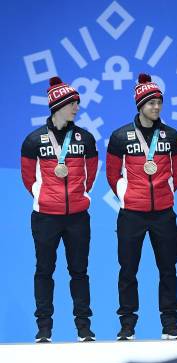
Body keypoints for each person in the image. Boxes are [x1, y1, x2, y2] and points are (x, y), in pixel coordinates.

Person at [106, 73, 177, 340]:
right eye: (151, 103)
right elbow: (112, 174)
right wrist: (127, 196)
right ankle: (127, 325)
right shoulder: (120, 137)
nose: (156, 107)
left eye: (159, 102)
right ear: (140, 105)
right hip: (131, 214)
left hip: (163, 213)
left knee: (168, 269)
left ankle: (170, 324)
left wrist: (166, 192)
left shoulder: (171, 135)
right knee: (128, 270)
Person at [21, 76, 98, 343]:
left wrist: (78, 195)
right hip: (45, 217)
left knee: (79, 271)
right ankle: (44, 329)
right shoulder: (34, 140)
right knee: (44, 270)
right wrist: (46, 198)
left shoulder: (85, 138)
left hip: (78, 216)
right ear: (59, 105)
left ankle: (84, 328)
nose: (77, 108)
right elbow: (28, 179)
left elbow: (92, 174)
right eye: (73, 103)